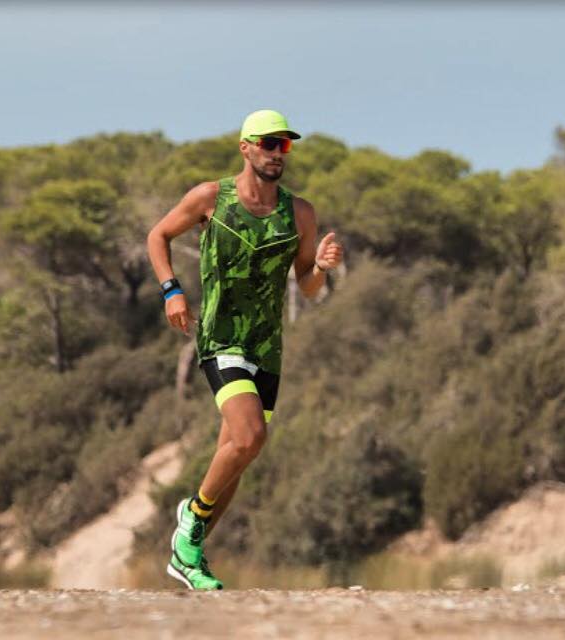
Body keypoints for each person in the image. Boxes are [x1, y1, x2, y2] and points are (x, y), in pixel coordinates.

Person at [146, 109, 344, 590]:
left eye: (285, 145)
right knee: (250, 435)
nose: (278, 153)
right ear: (246, 148)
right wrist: (171, 290)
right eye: (269, 144)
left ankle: (190, 557)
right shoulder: (212, 197)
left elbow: (309, 287)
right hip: (221, 338)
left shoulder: (300, 213)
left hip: (267, 346)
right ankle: (190, 524)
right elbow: (159, 236)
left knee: (236, 455)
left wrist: (321, 267)